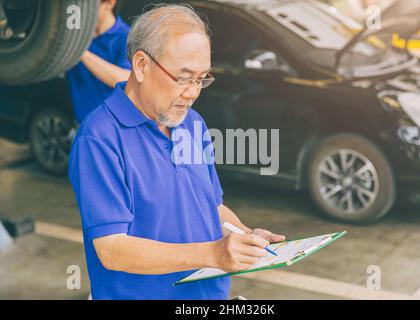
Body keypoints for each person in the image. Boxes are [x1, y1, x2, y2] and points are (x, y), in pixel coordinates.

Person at [68, 3, 285, 300]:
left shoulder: (191, 123)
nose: (193, 92)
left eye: (201, 78)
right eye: (183, 78)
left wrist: (244, 236)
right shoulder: (99, 138)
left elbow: (212, 206)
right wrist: (213, 253)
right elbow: (113, 249)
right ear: (142, 65)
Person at [66, 0, 131, 124]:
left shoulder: (127, 37)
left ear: (110, 3)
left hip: (111, 129)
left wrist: (80, 51)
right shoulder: (75, 34)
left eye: (87, 5)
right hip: (81, 123)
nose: (81, 11)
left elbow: (126, 80)